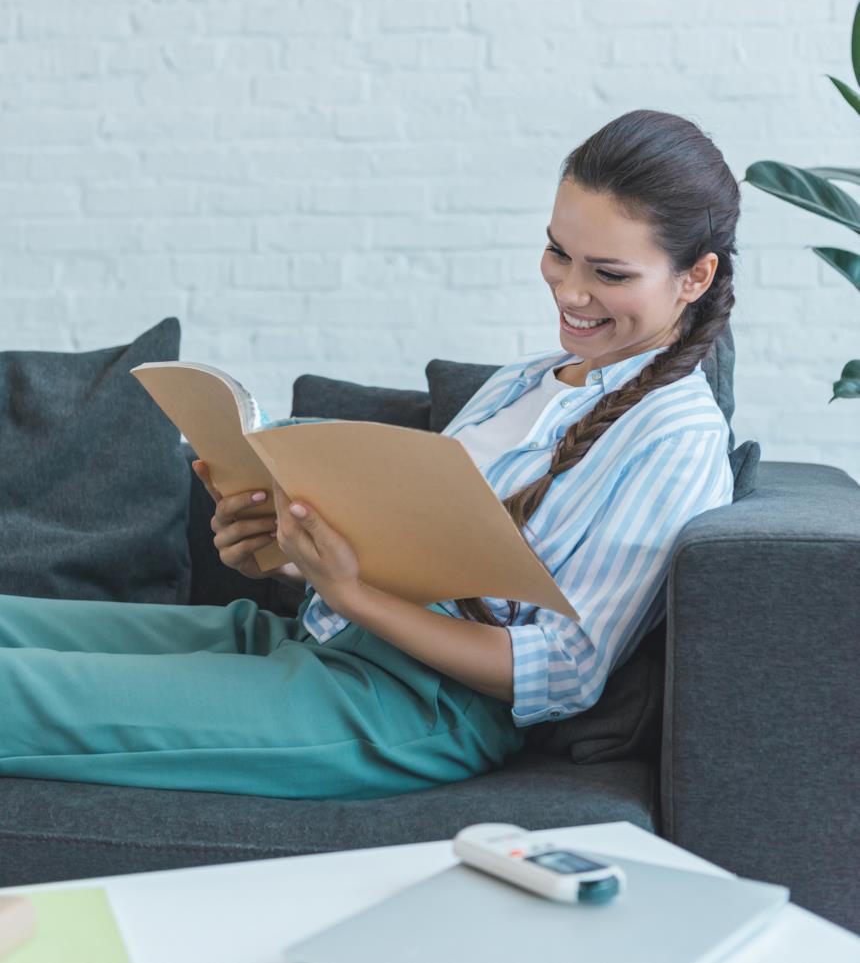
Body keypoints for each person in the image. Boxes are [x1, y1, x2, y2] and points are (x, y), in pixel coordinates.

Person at [0, 108, 738, 800]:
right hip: (320, 639)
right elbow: (411, 558)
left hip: (411, 706)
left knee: (17, 696)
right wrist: (289, 552)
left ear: (694, 277)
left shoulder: (676, 435)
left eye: (609, 273)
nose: (570, 290)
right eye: (557, 251)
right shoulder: (525, 380)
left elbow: (567, 670)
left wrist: (355, 595)